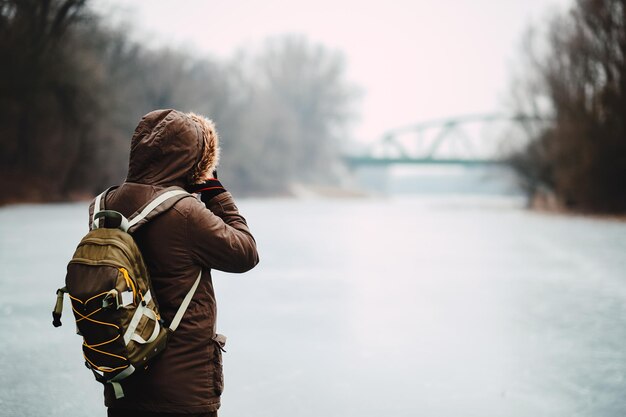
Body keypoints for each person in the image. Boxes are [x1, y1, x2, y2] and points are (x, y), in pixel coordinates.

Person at [97, 109, 259, 417]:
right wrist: (213, 189)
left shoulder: (105, 205)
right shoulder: (186, 213)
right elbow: (246, 252)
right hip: (182, 392)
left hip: (123, 382)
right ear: (197, 162)